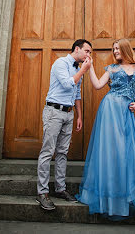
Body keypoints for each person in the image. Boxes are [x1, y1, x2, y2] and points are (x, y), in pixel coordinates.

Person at [76, 38, 135, 218]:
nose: (115, 51)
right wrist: (90, 68)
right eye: (114, 49)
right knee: (111, 151)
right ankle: (109, 198)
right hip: (109, 110)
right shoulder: (112, 69)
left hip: (126, 112)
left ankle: (125, 194)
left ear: (126, 48)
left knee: (125, 151)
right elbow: (97, 86)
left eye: (118, 48)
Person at [36, 39, 92, 211]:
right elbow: (68, 83)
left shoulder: (77, 68)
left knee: (62, 152)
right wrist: (83, 70)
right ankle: (42, 193)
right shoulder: (60, 63)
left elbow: (76, 93)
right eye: (87, 51)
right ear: (77, 49)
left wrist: (79, 116)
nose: (89, 55)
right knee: (48, 151)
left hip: (69, 114)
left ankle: (60, 189)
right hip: (54, 112)